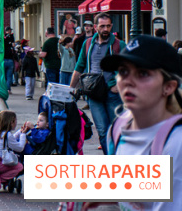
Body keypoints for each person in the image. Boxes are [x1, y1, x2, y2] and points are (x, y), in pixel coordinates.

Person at [95, 35, 182, 211]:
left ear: (169, 87)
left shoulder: (176, 142)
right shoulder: (118, 128)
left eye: (142, 73)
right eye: (123, 72)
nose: (128, 81)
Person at [69, 12, 122, 154]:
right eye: (102, 26)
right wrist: (70, 89)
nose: (106, 29)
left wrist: (117, 85)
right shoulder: (87, 44)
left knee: (116, 129)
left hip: (112, 94)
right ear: (95, 27)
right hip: (93, 93)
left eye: (108, 26)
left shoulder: (118, 44)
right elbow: (79, 66)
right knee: (103, 131)